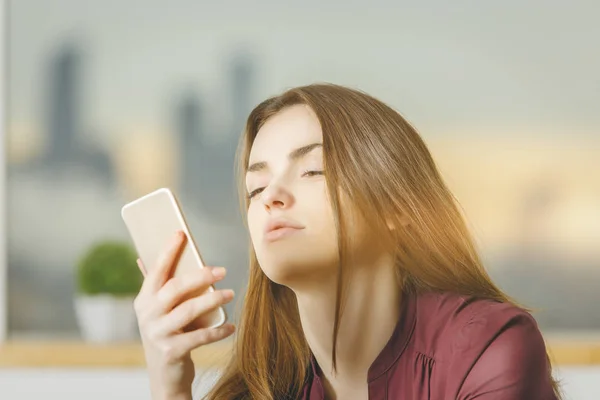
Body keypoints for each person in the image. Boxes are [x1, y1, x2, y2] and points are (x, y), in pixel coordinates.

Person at [133, 83, 562, 400]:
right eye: (256, 188)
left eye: (313, 171)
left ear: (397, 205)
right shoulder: (256, 391)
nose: (272, 198)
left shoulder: (488, 344)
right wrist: (169, 385)